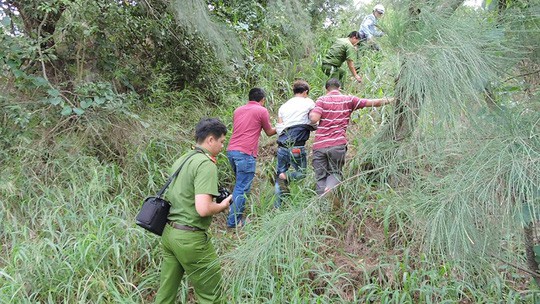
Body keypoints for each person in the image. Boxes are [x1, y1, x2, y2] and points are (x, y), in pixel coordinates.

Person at [155, 118, 232, 304]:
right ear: (211, 140)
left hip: (170, 234)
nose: (222, 146)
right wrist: (223, 205)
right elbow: (203, 208)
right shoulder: (206, 164)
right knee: (211, 295)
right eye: (222, 141)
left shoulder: (182, 159)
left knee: (165, 294)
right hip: (191, 239)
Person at [309, 78, 393, 195]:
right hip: (337, 144)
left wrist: (311, 114)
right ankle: (330, 190)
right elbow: (373, 102)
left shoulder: (321, 100)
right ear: (339, 88)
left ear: (326, 89)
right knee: (335, 172)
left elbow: (314, 119)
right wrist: (392, 100)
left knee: (320, 177)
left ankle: (321, 202)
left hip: (319, 145)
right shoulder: (349, 99)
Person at [227, 88, 276, 228]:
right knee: (241, 188)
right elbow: (269, 132)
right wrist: (282, 126)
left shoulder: (238, 110)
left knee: (239, 186)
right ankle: (234, 222)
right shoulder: (261, 110)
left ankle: (236, 216)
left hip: (232, 151)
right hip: (245, 153)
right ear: (263, 100)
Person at [274, 80, 316, 207]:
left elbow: (280, 128)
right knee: (301, 173)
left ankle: (278, 206)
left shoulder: (283, 107)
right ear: (306, 92)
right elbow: (314, 119)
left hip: (282, 146)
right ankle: (285, 176)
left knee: (279, 177)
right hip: (297, 146)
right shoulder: (308, 102)